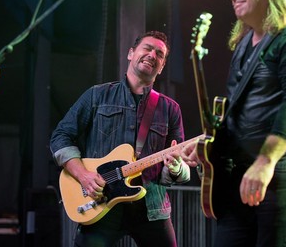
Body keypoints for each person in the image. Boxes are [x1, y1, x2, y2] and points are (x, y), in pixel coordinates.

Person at [182, 0, 286, 246]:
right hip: (243, 170)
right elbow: (238, 115)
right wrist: (208, 145)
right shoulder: (245, 44)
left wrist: (265, 161)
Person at [50, 30, 190, 247]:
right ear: (131, 53)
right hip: (100, 203)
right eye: (147, 48)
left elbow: (176, 170)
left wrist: (175, 169)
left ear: (161, 67)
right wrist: (84, 175)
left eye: (159, 54)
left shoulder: (170, 109)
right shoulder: (97, 96)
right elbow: (60, 136)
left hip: (151, 208)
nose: (153, 55)